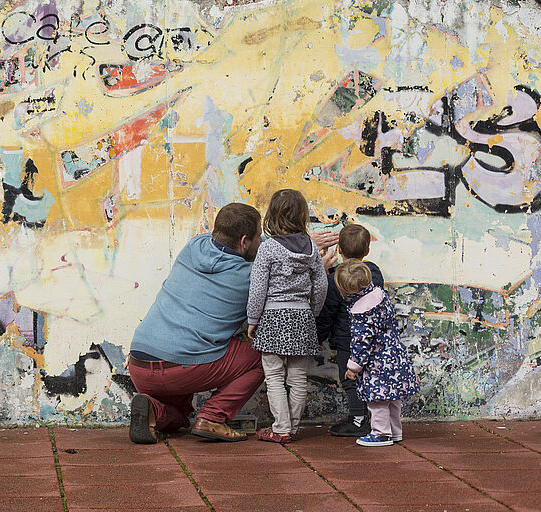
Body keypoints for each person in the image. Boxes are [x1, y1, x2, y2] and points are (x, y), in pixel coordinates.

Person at [126, 201, 338, 444]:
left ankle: (152, 409)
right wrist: (313, 268)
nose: (262, 242)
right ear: (244, 241)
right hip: (184, 367)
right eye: (259, 237)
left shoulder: (194, 246)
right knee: (266, 352)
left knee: (180, 416)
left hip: (140, 365)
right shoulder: (251, 279)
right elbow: (288, 284)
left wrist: (296, 243)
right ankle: (213, 417)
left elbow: (268, 251)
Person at [245, 189, 328, 443]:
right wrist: (311, 312)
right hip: (302, 316)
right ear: (303, 215)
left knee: (274, 376)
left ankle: (280, 429)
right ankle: (291, 427)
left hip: (272, 317)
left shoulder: (268, 248)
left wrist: (252, 319)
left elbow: (258, 287)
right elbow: (321, 285)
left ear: (272, 215)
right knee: (298, 376)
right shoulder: (311, 248)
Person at [338, 259, 420, 446]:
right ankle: (395, 431)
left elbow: (361, 343)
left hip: (377, 364)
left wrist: (353, 367)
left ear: (346, 290)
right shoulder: (380, 296)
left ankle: (381, 434)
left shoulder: (361, 312)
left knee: (377, 401)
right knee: (393, 399)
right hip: (395, 356)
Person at [316, 223, 385, 437]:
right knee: (370, 377)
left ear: (339, 251)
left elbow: (327, 312)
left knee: (350, 379)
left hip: (347, 340)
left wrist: (319, 336)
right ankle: (374, 418)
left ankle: (357, 420)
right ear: (367, 251)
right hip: (373, 339)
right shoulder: (373, 272)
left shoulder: (336, 278)